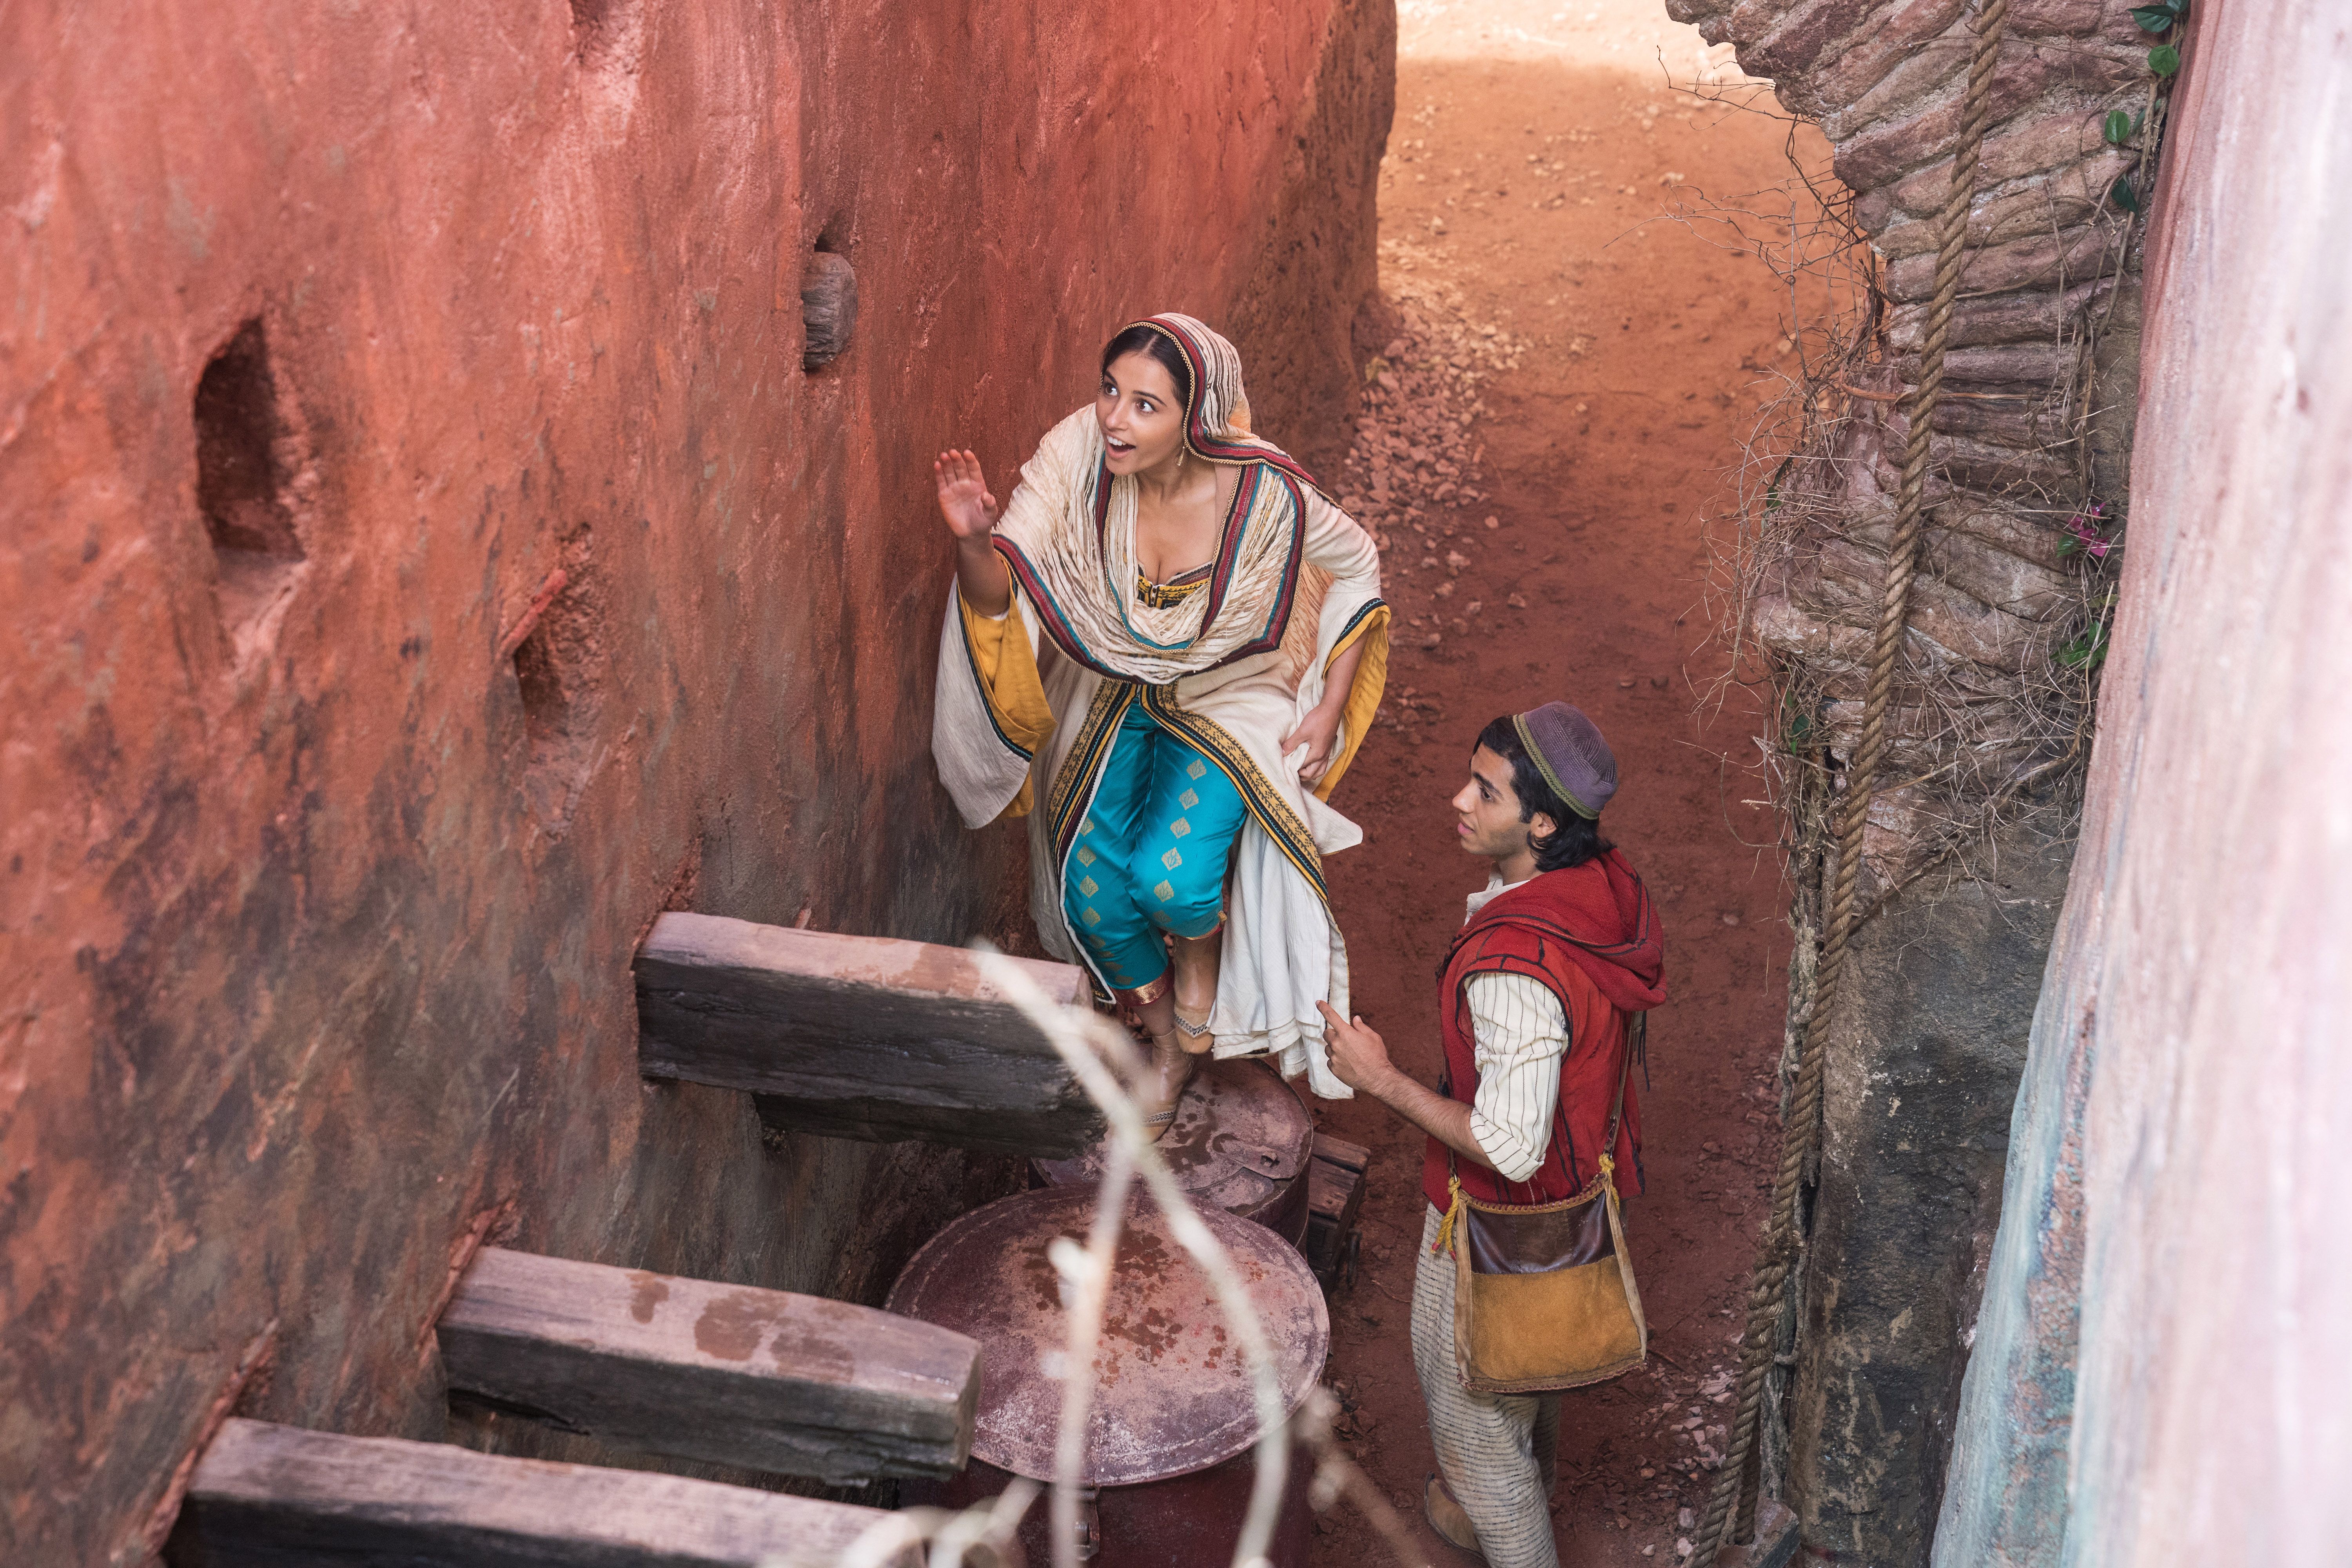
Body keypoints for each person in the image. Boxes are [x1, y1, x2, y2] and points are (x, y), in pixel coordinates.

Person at [930, 313, 1390, 1135]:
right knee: (1091, 895)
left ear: (1196, 420)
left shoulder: (1264, 492)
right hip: (1107, 689)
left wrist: (1327, 703)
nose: (1115, 417)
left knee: (1171, 884)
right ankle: (1166, 1035)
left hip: (1227, 696)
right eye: (1110, 389)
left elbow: (1357, 561)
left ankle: (1197, 982)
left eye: (1147, 404)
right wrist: (972, 542)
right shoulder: (1076, 459)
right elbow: (1006, 586)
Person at [1319, 702, 1666, 1567]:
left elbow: (1512, 1146)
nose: (1458, 799)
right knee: (1526, 1377)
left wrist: (1381, 1079)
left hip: (1497, 1226)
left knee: (1477, 1439)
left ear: (1543, 823)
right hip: (1576, 1201)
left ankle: (1506, 1521)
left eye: (1484, 790)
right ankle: (1504, 1507)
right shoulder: (1603, 886)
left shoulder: (1514, 970)